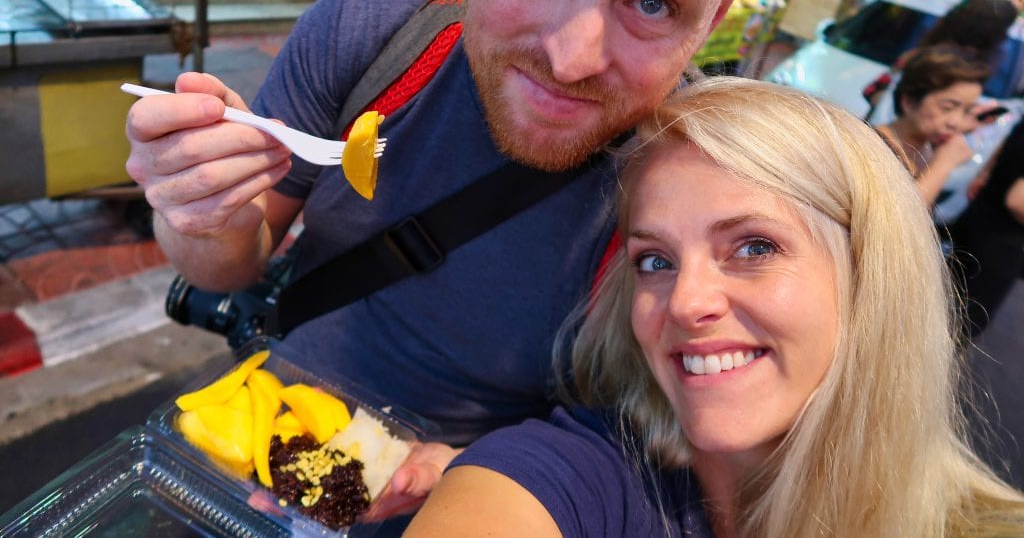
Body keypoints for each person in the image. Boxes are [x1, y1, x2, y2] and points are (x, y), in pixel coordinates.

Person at [123, 0, 765, 522]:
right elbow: (227, 265)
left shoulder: (693, 179)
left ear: (717, 10)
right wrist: (200, 207)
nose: (570, 59)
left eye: (653, 3)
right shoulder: (378, 28)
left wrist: (472, 471)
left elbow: (662, 441)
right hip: (248, 436)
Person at [405, 78, 1024, 537]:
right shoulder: (576, 474)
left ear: (871, 276)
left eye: (754, 247)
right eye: (656, 261)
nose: (685, 303)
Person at [864, 0, 1019, 120]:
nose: (1005, 41)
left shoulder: (919, 56)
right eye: (1004, 32)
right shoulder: (946, 69)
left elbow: (872, 92)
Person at [874, 45, 990, 207]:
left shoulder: (926, 147)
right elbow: (896, 220)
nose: (955, 122)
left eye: (967, 110)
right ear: (909, 101)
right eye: (947, 107)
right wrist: (944, 163)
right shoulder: (873, 148)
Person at [950, 115, 1024, 338]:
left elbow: (1008, 142)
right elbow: (1018, 201)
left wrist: (986, 174)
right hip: (999, 246)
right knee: (959, 326)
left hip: (979, 220)